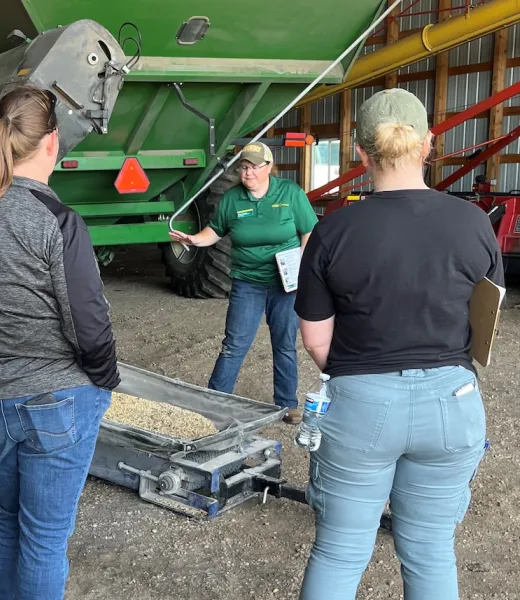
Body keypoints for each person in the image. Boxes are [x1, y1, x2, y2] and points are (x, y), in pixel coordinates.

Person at [294, 88, 503, 600]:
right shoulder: (474, 223)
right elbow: (485, 325)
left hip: (362, 403)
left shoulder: (334, 228)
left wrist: (357, 373)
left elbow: (317, 340)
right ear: (427, 145)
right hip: (453, 406)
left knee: (341, 550)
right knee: (431, 549)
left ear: (361, 152)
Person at [0, 83, 120, 600]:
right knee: (44, 541)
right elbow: (90, 328)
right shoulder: (57, 222)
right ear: (52, 143)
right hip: (57, 401)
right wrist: (105, 384)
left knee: (13, 519)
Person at [169, 142, 318, 423]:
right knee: (235, 344)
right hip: (247, 282)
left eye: (253, 167)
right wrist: (194, 240)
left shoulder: (290, 194)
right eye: (243, 167)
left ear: (269, 167)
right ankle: (214, 402)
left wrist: (302, 263)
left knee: (284, 342)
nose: (247, 173)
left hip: (285, 284)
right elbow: (215, 230)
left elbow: (309, 231)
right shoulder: (232, 199)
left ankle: (286, 404)